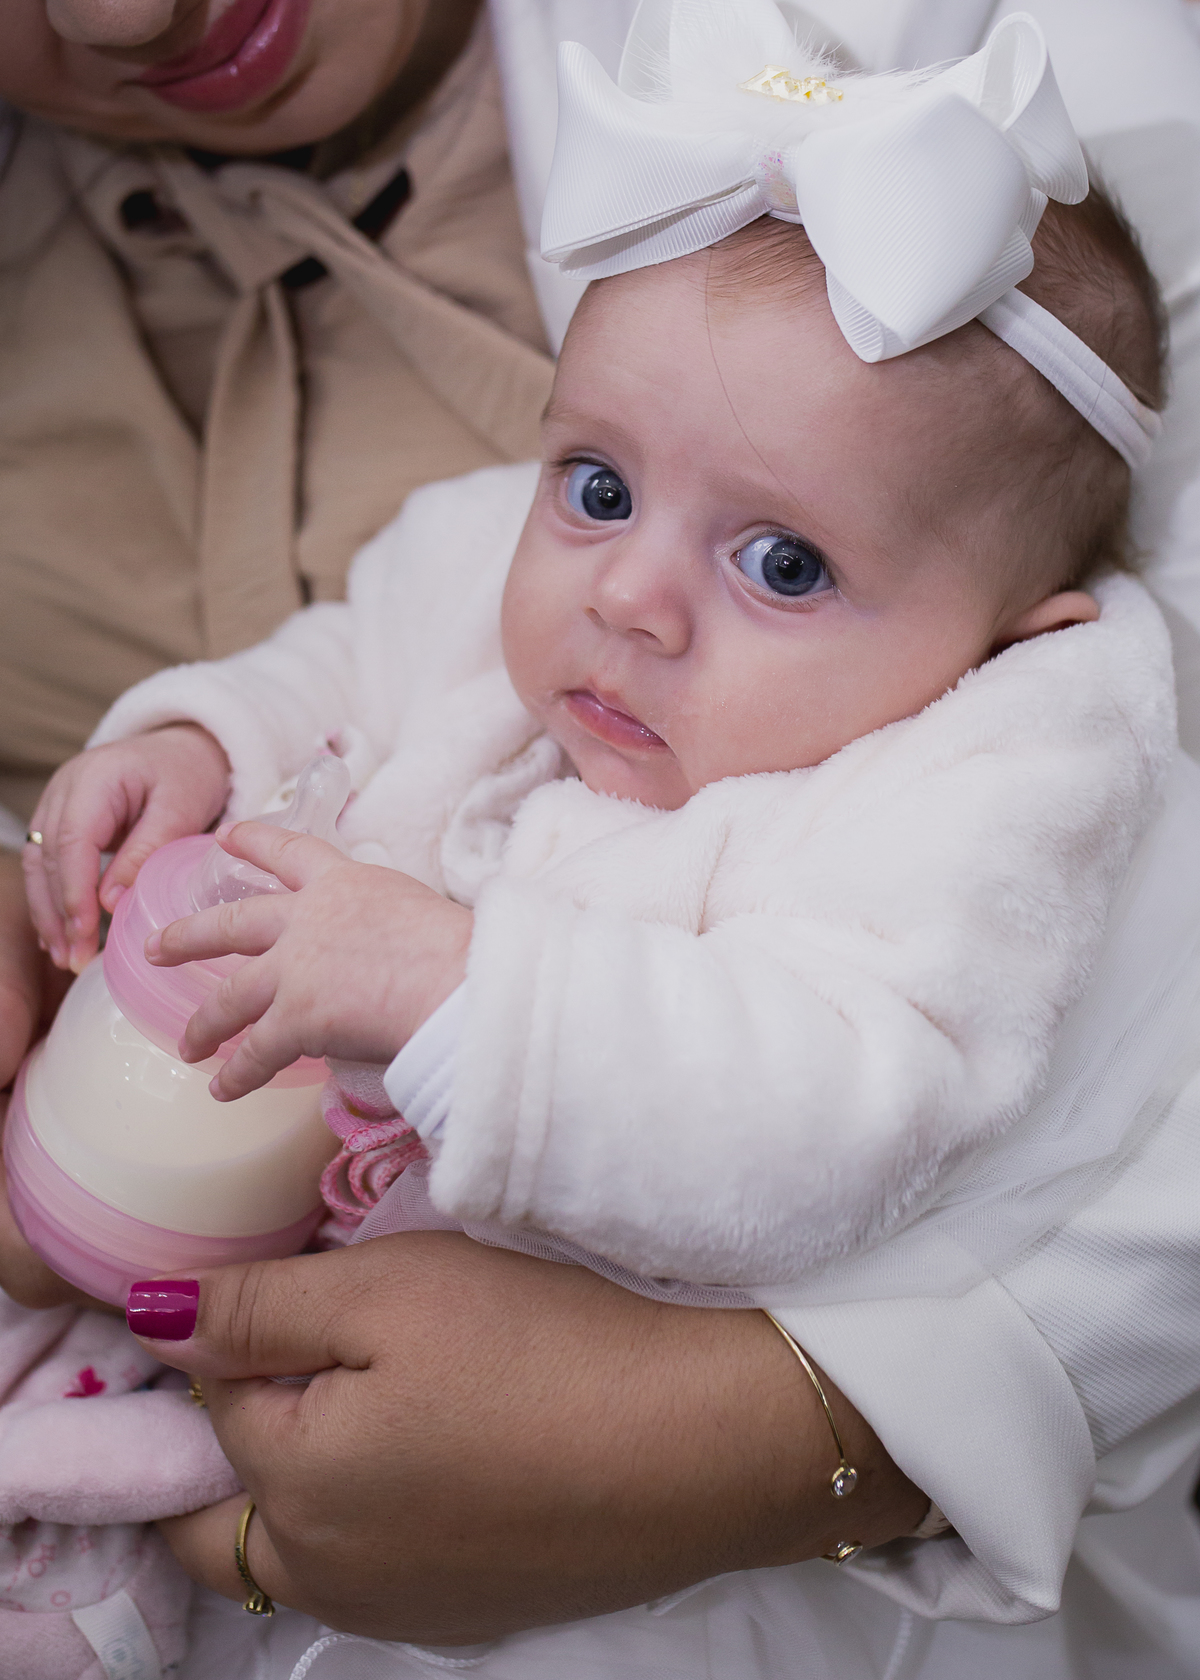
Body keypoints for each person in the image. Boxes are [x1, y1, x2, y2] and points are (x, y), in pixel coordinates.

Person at [4, 1, 1200, 1677]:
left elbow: (832, 1115)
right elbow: (355, 653)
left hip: (677, 1542)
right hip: (292, 1304)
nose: (627, 595)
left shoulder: (958, 816)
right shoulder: (541, 569)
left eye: (785, 566)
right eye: (597, 485)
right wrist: (202, 744)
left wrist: (460, 998)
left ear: (1009, 648)